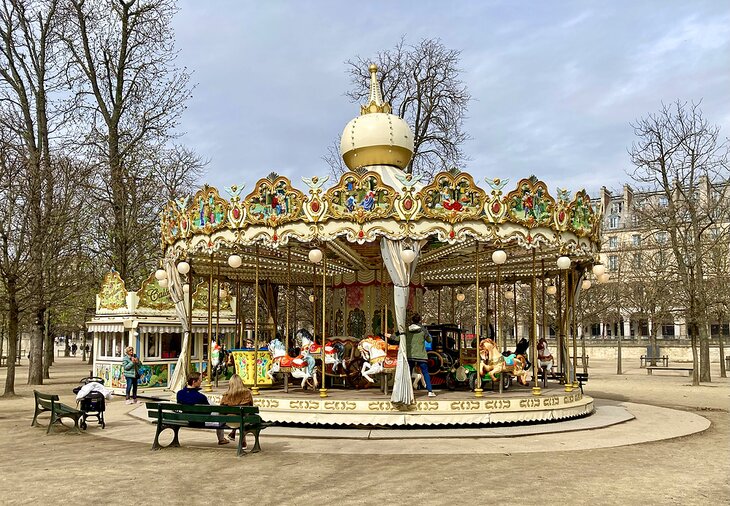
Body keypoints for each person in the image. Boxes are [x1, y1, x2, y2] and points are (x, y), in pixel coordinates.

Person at [176, 372, 228, 445]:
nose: (201, 382)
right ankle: (221, 439)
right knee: (220, 413)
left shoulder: (179, 394)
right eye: (200, 380)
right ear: (194, 382)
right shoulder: (200, 397)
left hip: (189, 419)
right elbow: (209, 411)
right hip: (201, 421)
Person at [404, 313, 435, 397]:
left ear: (412, 320)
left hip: (410, 354)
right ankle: (430, 391)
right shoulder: (423, 330)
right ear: (420, 320)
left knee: (409, 373)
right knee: (425, 373)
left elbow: (398, 339)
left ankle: (407, 391)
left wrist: (390, 336)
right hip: (421, 355)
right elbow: (429, 340)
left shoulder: (407, 330)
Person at [220, 374, 254, 447]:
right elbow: (251, 407)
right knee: (244, 416)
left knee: (237, 416)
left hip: (229, 421)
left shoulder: (225, 395)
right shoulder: (247, 393)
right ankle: (242, 441)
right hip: (243, 420)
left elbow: (221, 410)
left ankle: (234, 432)